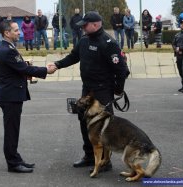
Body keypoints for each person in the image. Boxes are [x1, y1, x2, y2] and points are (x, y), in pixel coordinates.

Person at [52, 11, 128, 171]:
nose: (83, 28)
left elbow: (122, 70)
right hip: (87, 90)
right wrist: (57, 64)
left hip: (102, 91)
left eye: (85, 25)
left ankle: (105, 161)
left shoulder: (108, 43)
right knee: (84, 122)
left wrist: (118, 89)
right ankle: (89, 156)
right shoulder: (84, 40)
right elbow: (73, 56)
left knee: (104, 127)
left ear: (96, 24)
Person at [0, 20, 56, 173]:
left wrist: (26, 67)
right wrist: (45, 70)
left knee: (13, 130)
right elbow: (22, 68)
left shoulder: (8, 47)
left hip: (12, 95)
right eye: (16, 30)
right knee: (11, 131)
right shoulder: (7, 50)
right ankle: (13, 163)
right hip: (10, 96)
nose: (19, 32)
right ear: (6, 33)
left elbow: (18, 68)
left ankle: (16, 158)